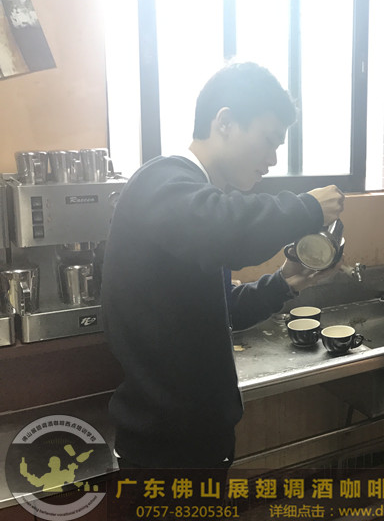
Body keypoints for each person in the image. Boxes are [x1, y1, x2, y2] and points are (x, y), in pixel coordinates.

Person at [102, 61, 345, 469]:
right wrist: (308, 208)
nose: (272, 159)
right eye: (268, 140)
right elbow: (229, 229)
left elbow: (219, 309)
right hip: (164, 451)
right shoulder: (161, 183)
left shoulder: (194, 204)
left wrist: (284, 283)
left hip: (196, 440)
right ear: (226, 122)